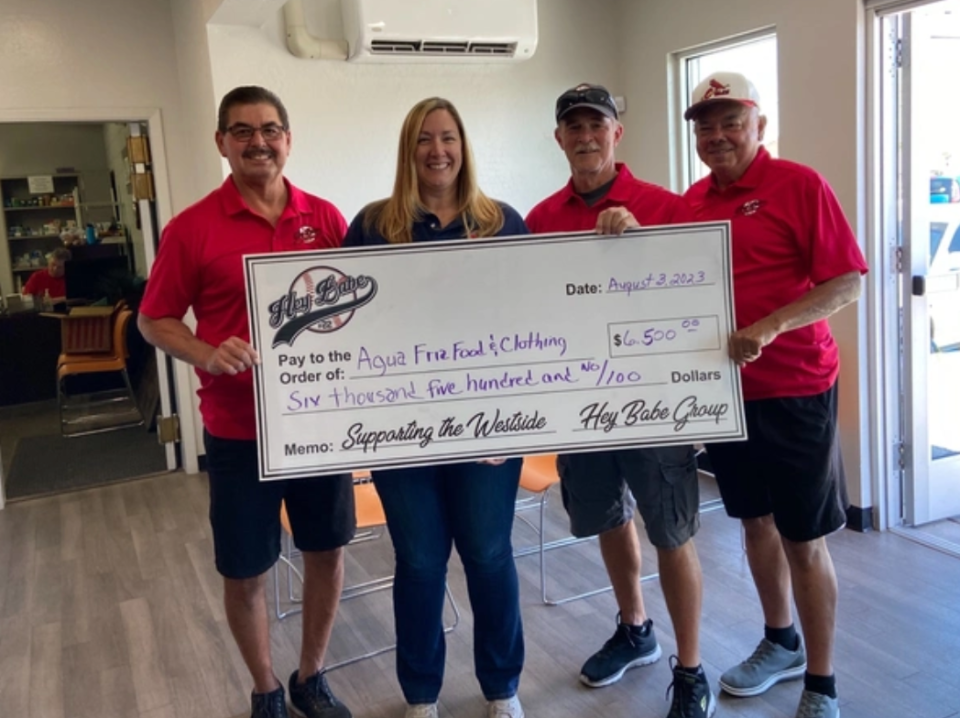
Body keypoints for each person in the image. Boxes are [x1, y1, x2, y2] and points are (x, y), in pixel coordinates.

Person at [137, 86, 355, 718]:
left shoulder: (326, 217)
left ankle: (310, 677)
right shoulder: (191, 228)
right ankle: (265, 690)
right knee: (246, 570)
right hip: (239, 432)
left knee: (327, 551)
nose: (258, 141)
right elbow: (154, 320)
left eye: (270, 129)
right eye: (242, 131)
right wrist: (206, 352)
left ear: (288, 138)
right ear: (221, 143)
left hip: (319, 427)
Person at [525, 83, 715, 718]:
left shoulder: (663, 206)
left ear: (616, 134)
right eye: (573, 127)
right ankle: (636, 628)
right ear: (559, 138)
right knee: (607, 516)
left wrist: (645, 247)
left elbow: (698, 301)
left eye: (596, 125)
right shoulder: (542, 219)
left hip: (653, 403)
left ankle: (690, 670)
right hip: (582, 405)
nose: (585, 137)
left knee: (672, 529)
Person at [683, 71, 868, 718]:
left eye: (731, 121)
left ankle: (822, 682)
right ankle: (779, 639)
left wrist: (770, 326)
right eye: (705, 125)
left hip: (794, 389)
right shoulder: (691, 203)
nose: (717, 135)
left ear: (758, 125)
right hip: (728, 396)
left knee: (802, 537)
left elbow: (847, 281)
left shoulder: (799, 184)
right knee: (752, 522)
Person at [342, 97, 528, 718]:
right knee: (420, 561)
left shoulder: (502, 221)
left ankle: (502, 687)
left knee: (488, 553)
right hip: (401, 432)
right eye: (424, 139)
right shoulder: (372, 225)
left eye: (448, 137)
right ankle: (421, 695)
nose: (437, 150)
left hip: (488, 429)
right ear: (407, 150)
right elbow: (347, 332)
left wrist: (519, 418)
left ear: (464, 146)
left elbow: (534, 321)